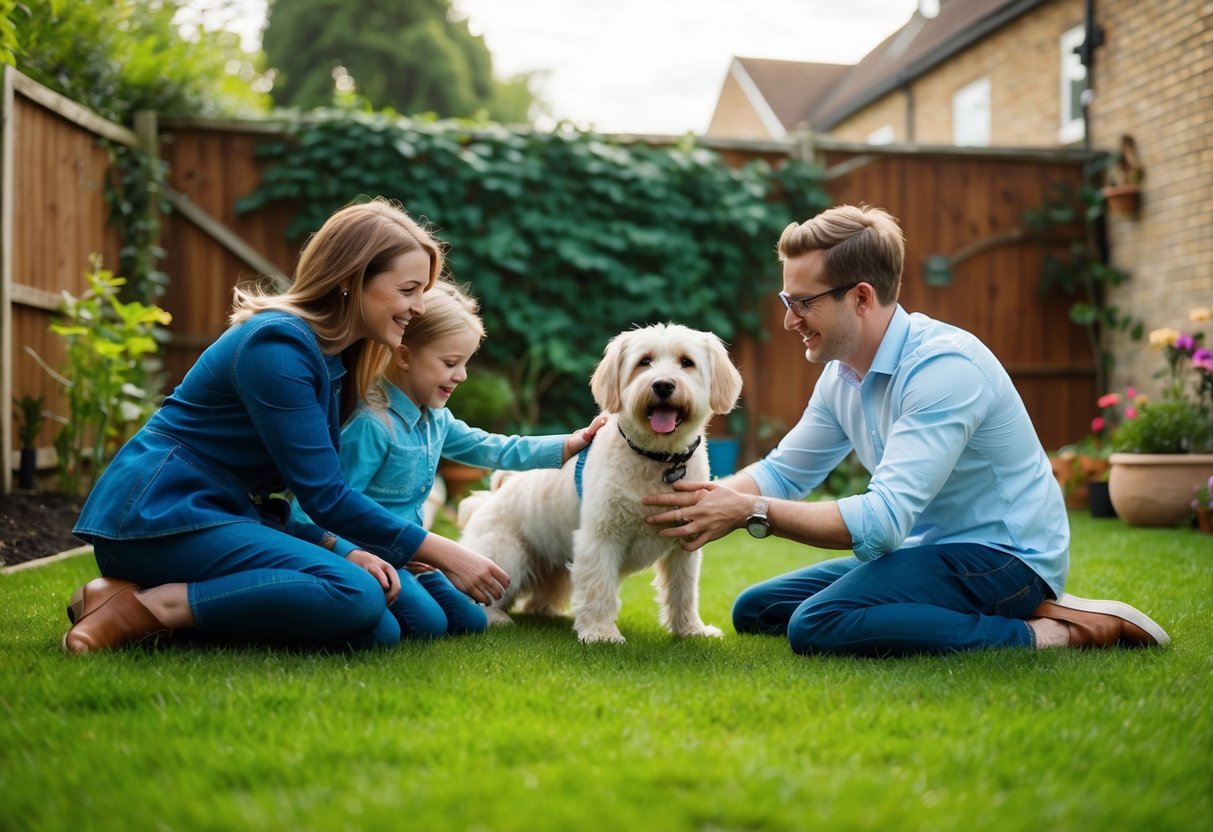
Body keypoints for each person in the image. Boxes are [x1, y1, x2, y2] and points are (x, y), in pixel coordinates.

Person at [643, 203, 1169, 656]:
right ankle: (1015, 615)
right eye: (787, 302)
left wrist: (749, 513)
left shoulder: (944, 369)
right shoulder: (842, 374)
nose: (789, 320)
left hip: (1005, 559)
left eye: (803, 303)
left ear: (862, 297)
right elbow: (784, 472)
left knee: (816, 625)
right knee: (756, 609)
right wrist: (687, 498)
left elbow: (882, 524)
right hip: (928, 550)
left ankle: (1052, 633)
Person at [62, 198, 516, 653]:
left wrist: (345, 550)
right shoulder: (277, 344)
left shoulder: (337, 357)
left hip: (226, 514)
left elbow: (306, 496)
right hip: (161, 516)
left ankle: (120, 595)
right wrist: (445, 552)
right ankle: (149, 606)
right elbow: (325, 496)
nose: (419, 307)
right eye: (409, 289)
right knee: (354, 594)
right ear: (350, 281)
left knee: (379, 629)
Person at [292, 279, 606, 638]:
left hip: (410, 558)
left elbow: (494, 447)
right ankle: (366, 611)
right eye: (450, 362)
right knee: (428, 623)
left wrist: (569, 444)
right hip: (369, 559)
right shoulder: (373, 426)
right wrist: (354, 554)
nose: (462, 375)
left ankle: (397, 603)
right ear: (405, 355)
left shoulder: (436, 420)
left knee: (471, 619)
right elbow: (318, 509)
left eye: (465, 363)